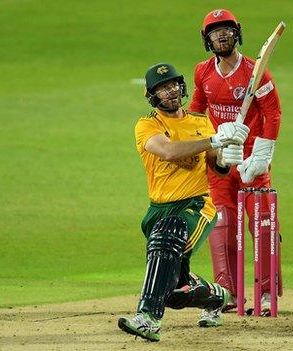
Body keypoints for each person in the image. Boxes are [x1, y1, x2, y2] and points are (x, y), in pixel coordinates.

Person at [118, 62, 250, 342]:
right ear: (152, 96)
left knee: (168, 236)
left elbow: (218, 167)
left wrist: (227, 156)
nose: (171, 91)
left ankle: (148, 319)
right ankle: (217, 297)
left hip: (197, 205)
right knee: (174, 290)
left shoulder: (201, 122)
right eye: (163, 88)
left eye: (174, 85)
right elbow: (166, 151)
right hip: (159, 208)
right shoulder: (147, 125)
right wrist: (213, 140)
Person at [190, 9, 283, 316]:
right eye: (215, 31)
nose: (222, 34)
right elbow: (195, 116)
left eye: (227, 29)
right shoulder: (202, 72)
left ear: (237, 32)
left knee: (263, 224)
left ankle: (267, 293)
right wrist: (212, 145)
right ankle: (227, 292)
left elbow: (273, 112)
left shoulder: (256, 73)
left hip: (251, 164)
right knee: (222, 224)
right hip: (221, 165)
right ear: (207, 39)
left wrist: (262, 153)